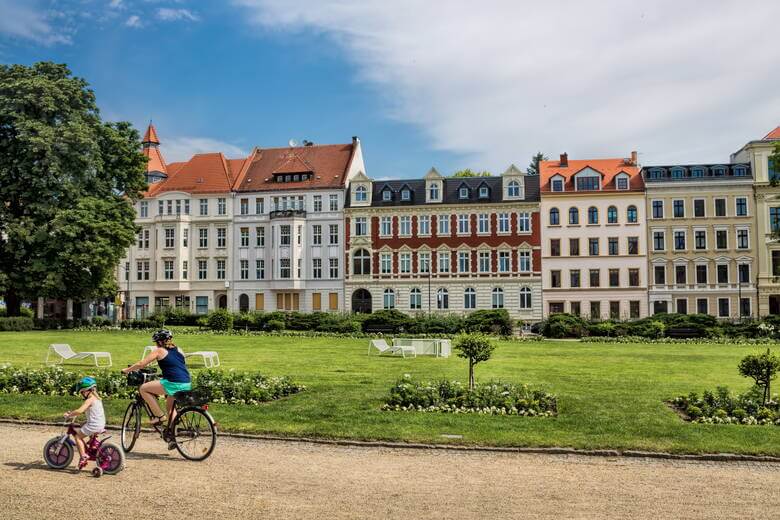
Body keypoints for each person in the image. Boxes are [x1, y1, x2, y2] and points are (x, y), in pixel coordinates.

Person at [122, 329, 192, 430]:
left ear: (159, 342)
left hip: (173, 383)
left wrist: (127, 370)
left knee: (143, 388)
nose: (155, 344)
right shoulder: (179, 349)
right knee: (170, 408)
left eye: (156, 342)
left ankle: (159, 416)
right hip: (186, 382)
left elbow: (141, 364)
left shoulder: (159, 351)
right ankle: (173, 434)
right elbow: (177, 364)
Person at [63, 376, 106, 470]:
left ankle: (83, 456)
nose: (82, 394)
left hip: (94, 425)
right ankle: (93, 445)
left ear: (87, 391)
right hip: (100, 423)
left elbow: (79, 411)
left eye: (82, 392)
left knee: (77, 437)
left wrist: (69, 414)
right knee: (83, 424)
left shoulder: (89, 400)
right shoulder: (97, 399)